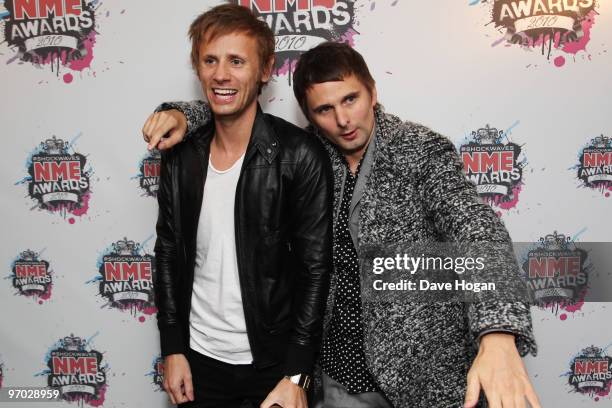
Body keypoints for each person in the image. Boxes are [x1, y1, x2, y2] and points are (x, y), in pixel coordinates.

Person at [143, 41, 540, 408]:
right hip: (338, 378)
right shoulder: (304, 156)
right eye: (324, 110)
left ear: (372, 92)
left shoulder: (420, 150)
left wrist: (498, 333)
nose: (344, 119)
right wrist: (184, 113)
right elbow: (238, 120)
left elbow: (476, 229)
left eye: (351, 99)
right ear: (309, 115)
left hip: (426, 376)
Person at [148, 5, 333, 408]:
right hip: (198, 364)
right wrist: (173, 347)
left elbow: (315, 271)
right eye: (210, 60)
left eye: (236, 61)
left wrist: (297, 373)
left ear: (265, 69)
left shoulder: (300, 156)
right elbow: (167, 252)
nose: (221, 75)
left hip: (272, 368)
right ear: (198, 68)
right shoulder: (180, 155)